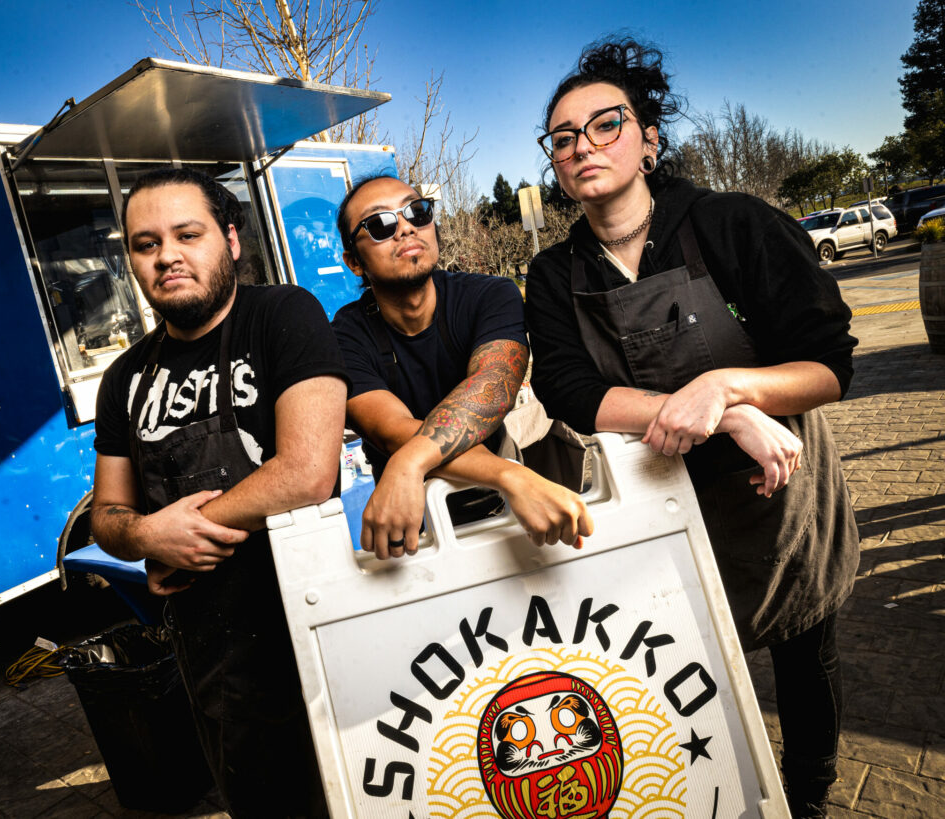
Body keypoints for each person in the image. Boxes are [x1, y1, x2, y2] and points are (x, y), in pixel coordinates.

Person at [524, 39, 860, 818]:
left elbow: (830, 365)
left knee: (808, 655)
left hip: (778, 495)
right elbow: (573, 391)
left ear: (648, 140)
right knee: (685, 671)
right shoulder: (555, 273)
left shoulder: (730, 223)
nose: (583, 146)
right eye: (564, 138)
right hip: (663, 509)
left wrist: (726, 385)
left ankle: (808, 795)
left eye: (606, 124)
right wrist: (724, 413)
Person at [89, 168, 347, 817]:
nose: (167, 254)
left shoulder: (283, 315)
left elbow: (307, 470)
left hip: (319, 627)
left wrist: (181, 538)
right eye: (146, 243)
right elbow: (107, 515)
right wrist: (147, 534)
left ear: (231, 240)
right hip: (217, 658)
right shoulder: (124, 379)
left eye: (187, 233)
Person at [331, 174, 591, 559]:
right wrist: (511, 476)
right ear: (354, 262)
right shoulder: (345, 334)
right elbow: (391, 431)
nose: (405, 228)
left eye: (416, 212)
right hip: (413, 525)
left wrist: (409, 460)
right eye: (380, 224)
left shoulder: (490, 295)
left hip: (508, 509)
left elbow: (490, 391)